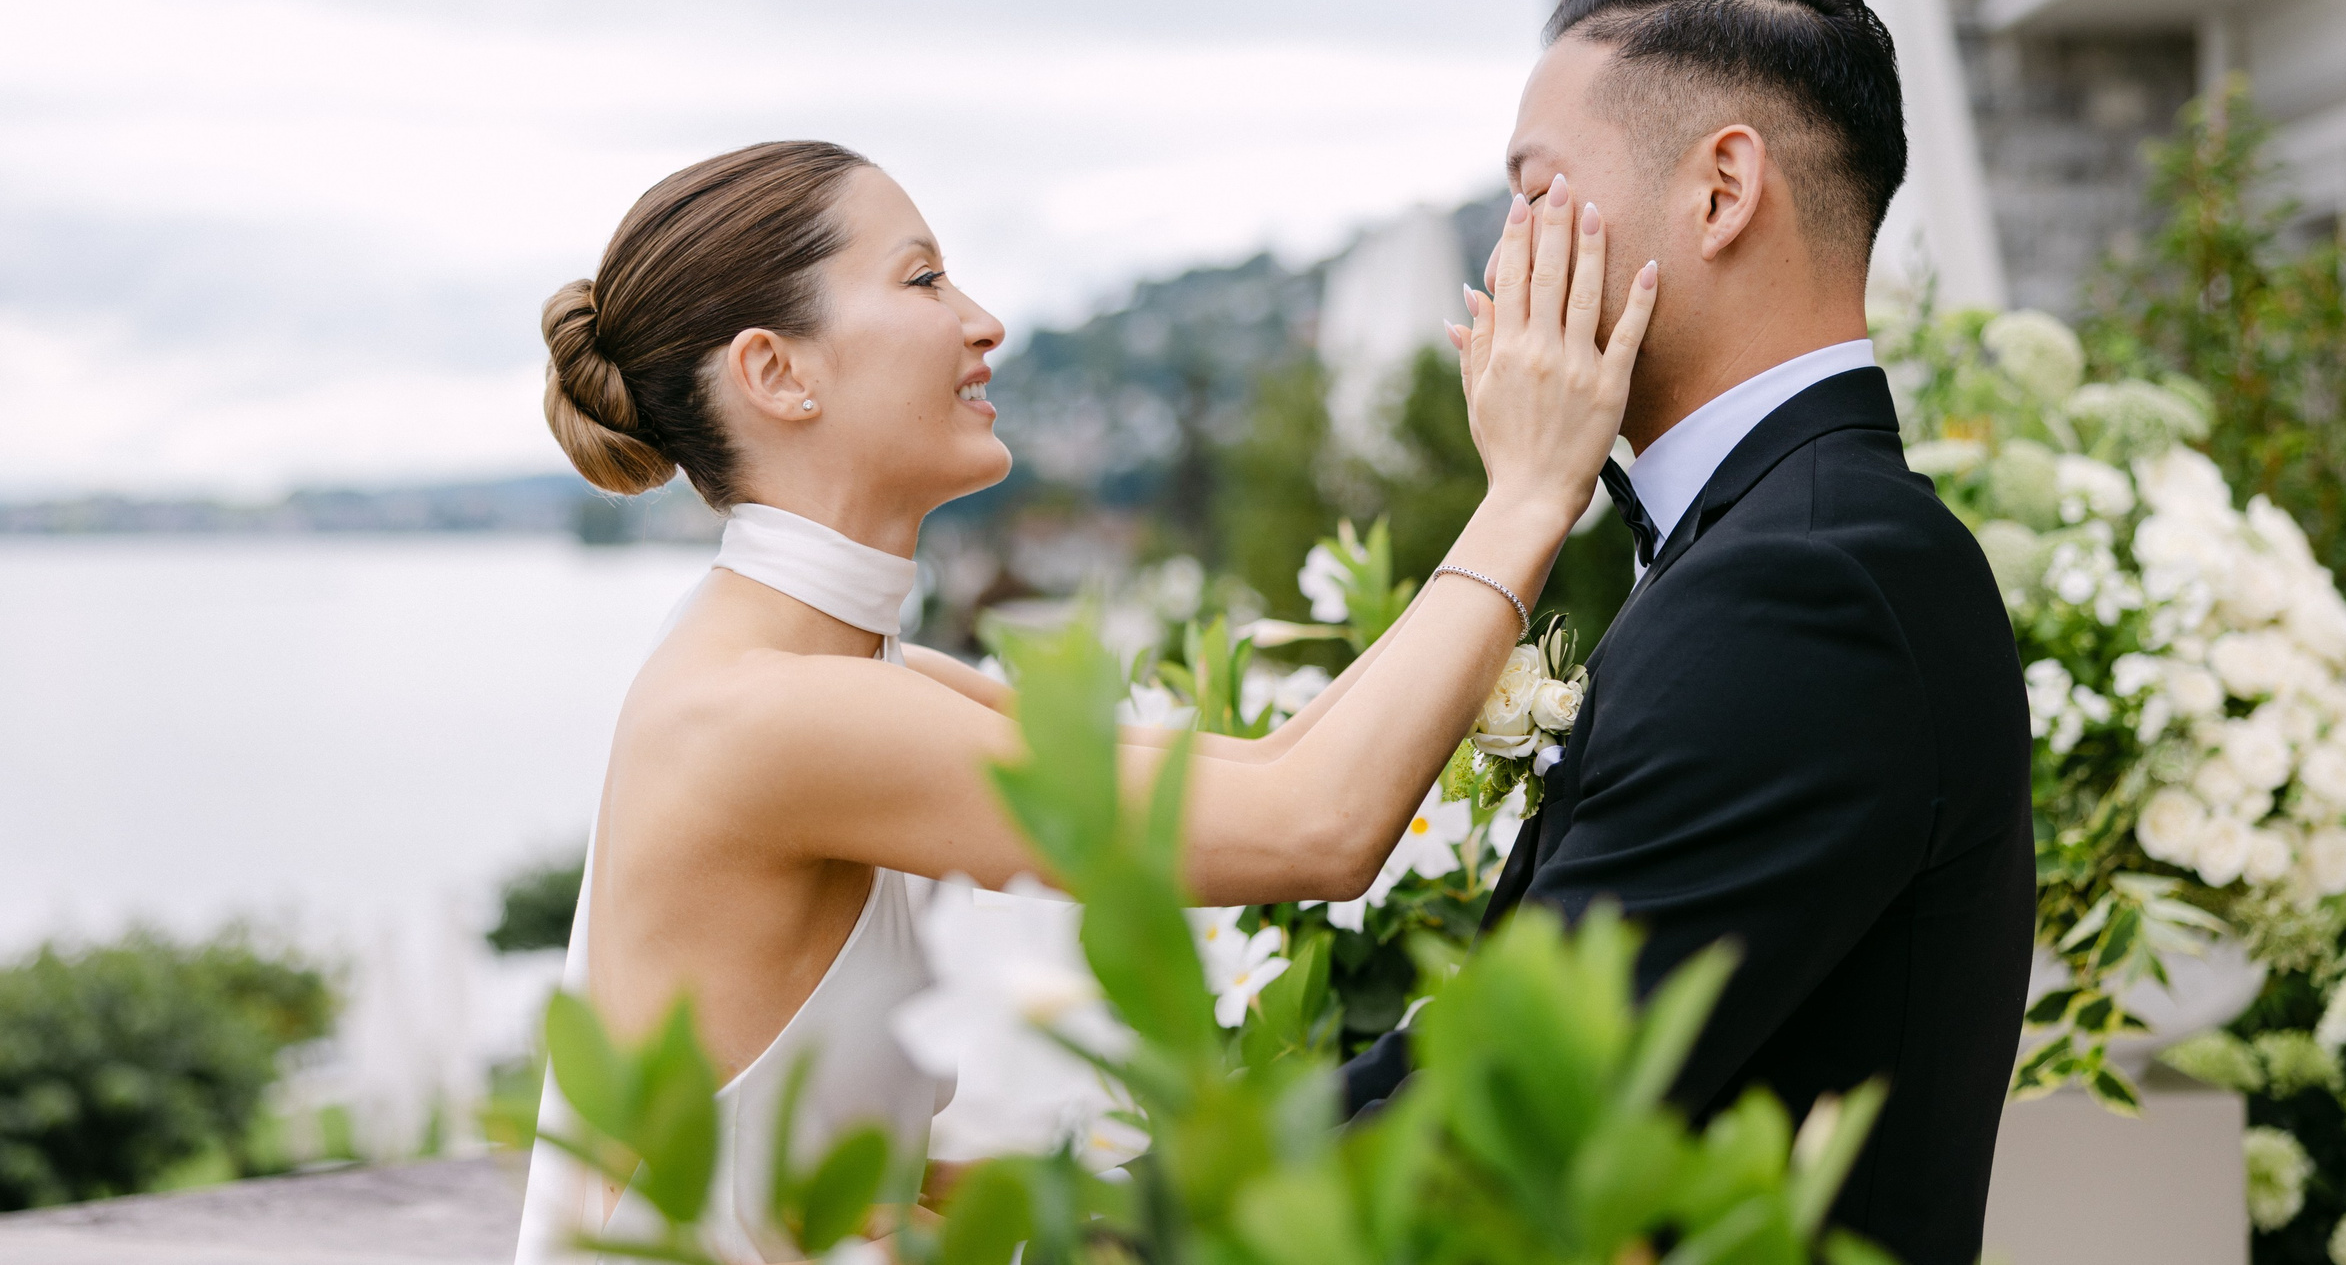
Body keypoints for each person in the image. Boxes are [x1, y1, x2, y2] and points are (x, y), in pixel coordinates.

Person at [512, 140, 1653, 1263]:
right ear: (775, 373)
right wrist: (1529, 493)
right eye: (922, 279)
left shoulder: (846, 676)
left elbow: (1268, 770)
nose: (983, 322)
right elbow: (1318, 825)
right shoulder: (775, 715)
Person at [1340, 0, 2034, 1265]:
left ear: (1721, 190)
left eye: (1535, 193)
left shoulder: (1805, 588)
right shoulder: (1777, 540)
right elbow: (1472, 1045)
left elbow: (1512, 1123)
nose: (1504, 258)